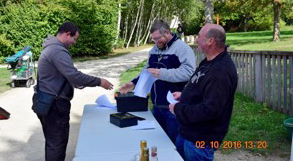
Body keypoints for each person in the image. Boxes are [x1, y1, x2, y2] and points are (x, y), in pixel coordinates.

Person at [35, 21, 113, 161]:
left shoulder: (51, 48)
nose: (74, 43)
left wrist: (76, 83)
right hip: (55, 105)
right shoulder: (57, 50)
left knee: (52, 141)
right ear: (67, 34)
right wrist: (99, 81)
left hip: (47, 102)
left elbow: (63, 76)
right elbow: (73, 75)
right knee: (57, 144)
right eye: (74, 39)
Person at [169, 24, 238, 161]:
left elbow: (210, 110)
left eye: (199, 36)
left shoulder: (220, 71)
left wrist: (178, 109)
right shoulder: (208, 62)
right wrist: (184, 94)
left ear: (210, 41)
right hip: (188, 134)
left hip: (200, 141)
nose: (196, 40)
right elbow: (201, 87)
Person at [120, 20, 196, 143]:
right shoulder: (154, 50)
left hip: (174, 108)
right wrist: (134, 82)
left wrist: (163, 74)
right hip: (156, 106)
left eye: (157, 38)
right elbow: (148, 71)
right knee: (158, 144)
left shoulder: (182, 48)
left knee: (173, 145)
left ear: (167, 32)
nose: (155, 42)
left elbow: (189, 72)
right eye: (153, 39)